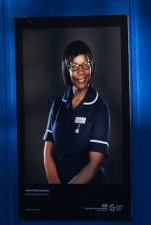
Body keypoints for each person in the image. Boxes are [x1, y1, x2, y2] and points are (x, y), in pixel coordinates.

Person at [43, 40, 111, 184]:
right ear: (66, 70)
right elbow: (48, 153)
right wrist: (57, 191)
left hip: (91, 192)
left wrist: (68, 194)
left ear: (91, 66)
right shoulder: (57, 104)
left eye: (85, 65)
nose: (81, 72)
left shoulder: (99, 108)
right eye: (74, 66)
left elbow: (95, 164)